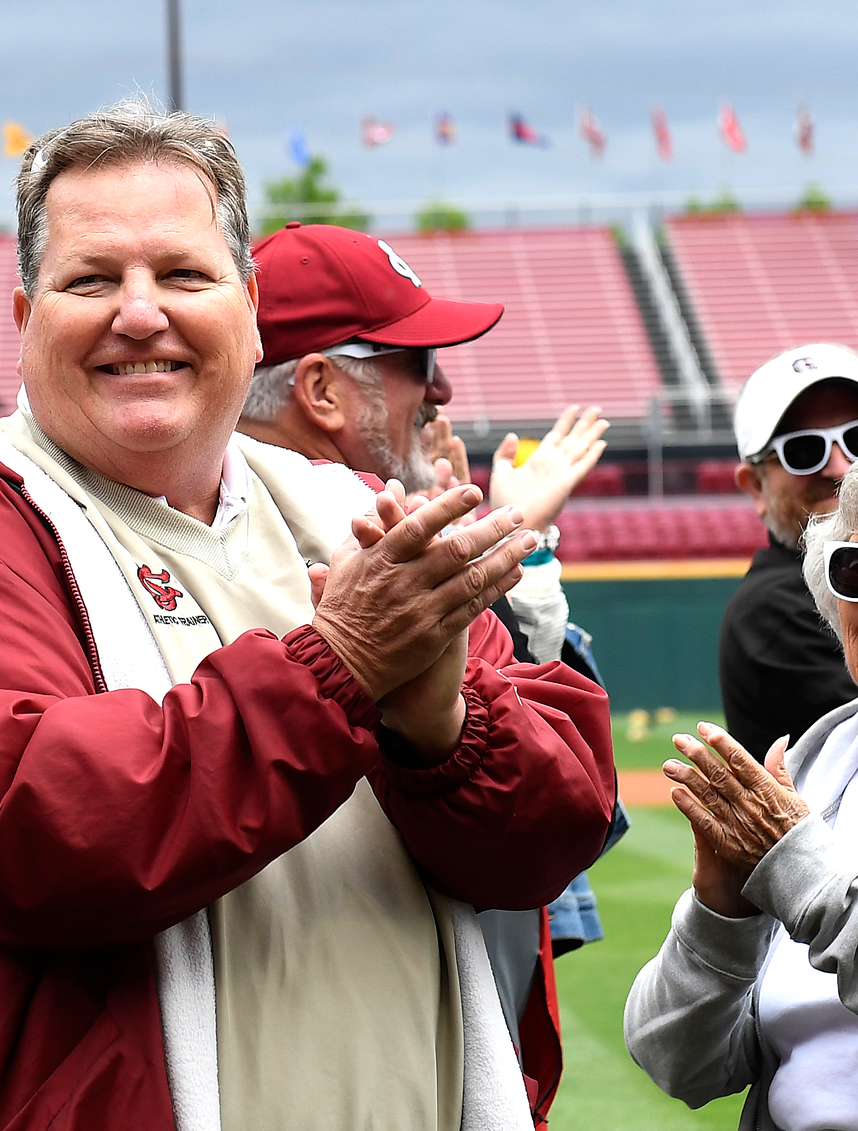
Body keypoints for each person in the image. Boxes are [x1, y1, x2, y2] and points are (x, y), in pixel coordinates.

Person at [0, 101, 616, 1131]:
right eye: (90, 280)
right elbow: (29, 834)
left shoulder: (352, 515)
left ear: (248, 307)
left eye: (182, 274)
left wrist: (438, 725)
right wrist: (340, 665)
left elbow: (551, 837)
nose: (138, 313)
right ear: (23, 320)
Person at [240, 221, 614, 1124]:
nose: (441, 389)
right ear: (320, 388)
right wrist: (508, 543)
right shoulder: (254, 548)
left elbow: (563, 812)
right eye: (417, 361)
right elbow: (567, 826)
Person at [626, 458, 858, 1131]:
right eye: (856, 568)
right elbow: (677, 1060)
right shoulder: (822, 760)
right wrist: (721, 917)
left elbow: (809, 885)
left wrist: (802, 877)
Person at [720, 342, 858, 760]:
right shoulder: (775, 611)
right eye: (803, 451)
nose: (840, 467)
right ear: (755, 487)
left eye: (856, 437)